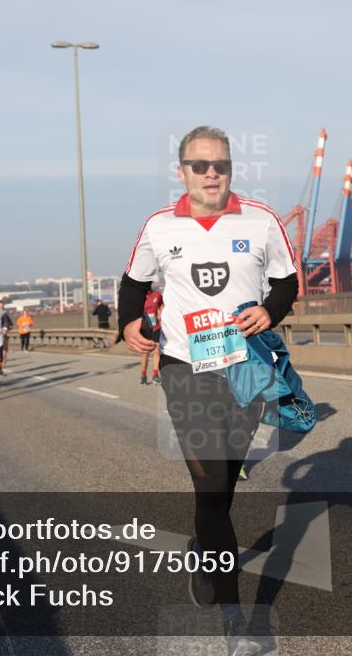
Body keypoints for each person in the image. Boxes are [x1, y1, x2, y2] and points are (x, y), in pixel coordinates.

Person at [119, 125, 298, 656]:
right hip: (184, 367)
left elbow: (287, 281)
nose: (211, 173)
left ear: (230, 169)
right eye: (200, 165)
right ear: (183, 172)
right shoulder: (158, 226)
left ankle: (205, 548)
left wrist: (272, 309)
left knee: (223, 489)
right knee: (209, 483)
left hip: (247, 365)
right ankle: (235, 619)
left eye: (220, 164)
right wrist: (129, 321)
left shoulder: (261, 220)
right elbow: (134, 284)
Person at [0, 300, 14, 373]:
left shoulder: (5, 315)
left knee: (4, 353)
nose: (1, 308)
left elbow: (11, 325)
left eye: (2, 306)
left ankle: (1, 368)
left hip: (4, 337)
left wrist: (7, 328)